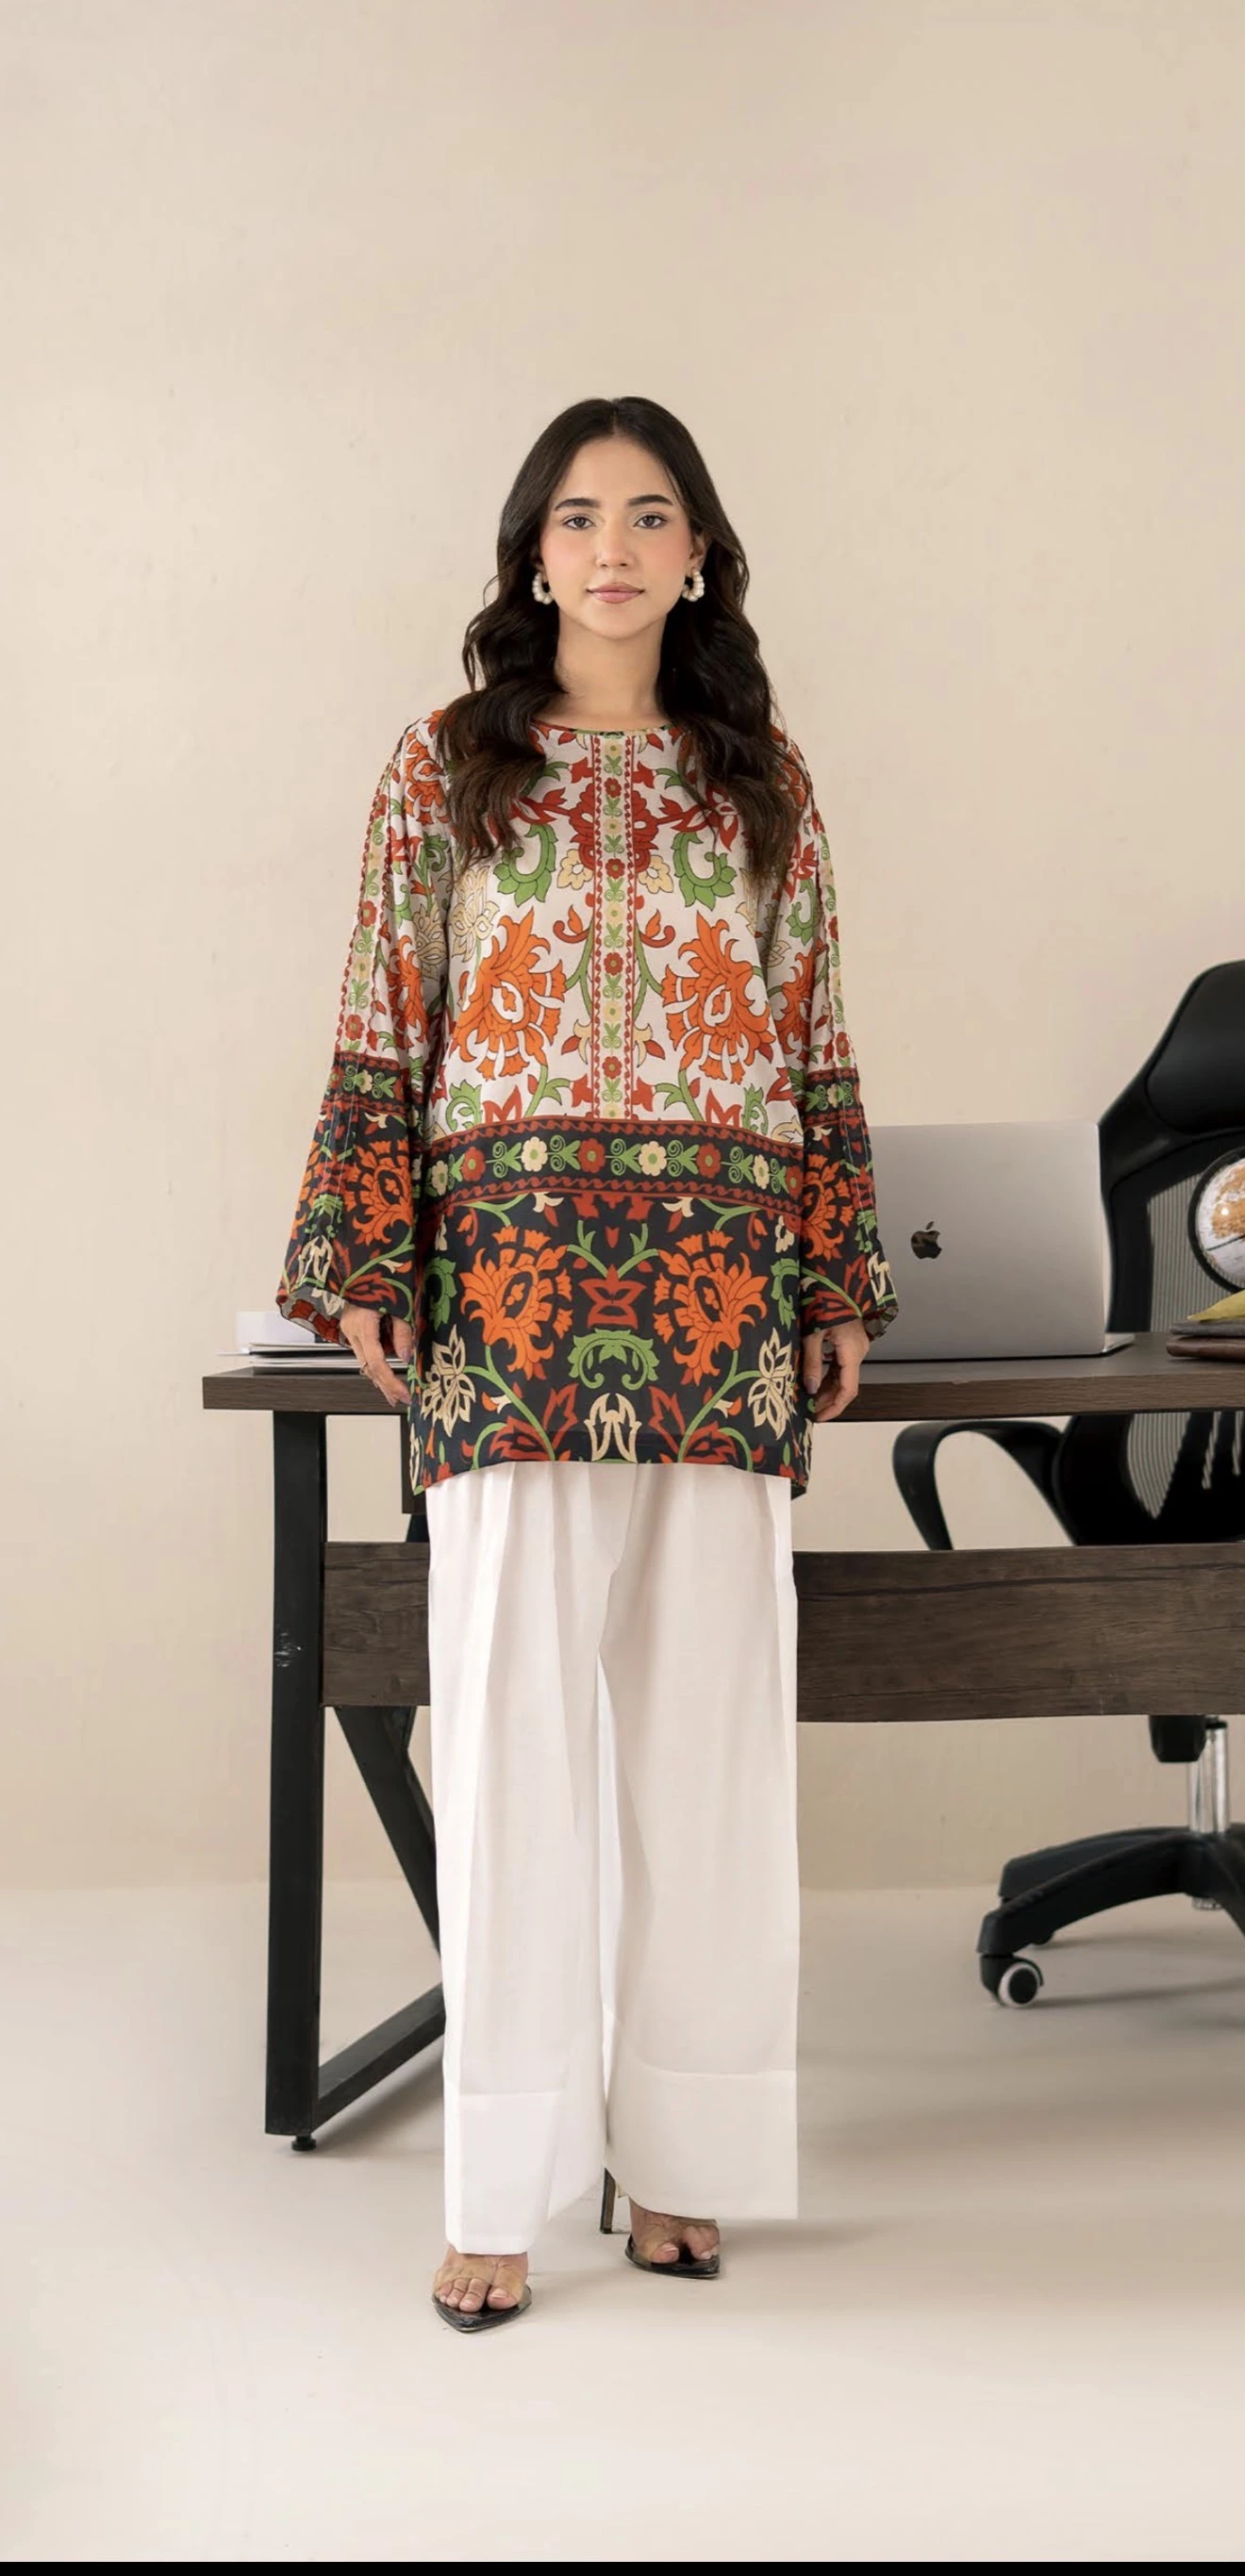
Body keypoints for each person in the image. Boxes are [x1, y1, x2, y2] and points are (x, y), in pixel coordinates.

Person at [277, 395, 897, 2331]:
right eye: (575, 517)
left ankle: (684, 2159)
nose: (610, 549)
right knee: (510, 1745)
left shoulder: (762, 780)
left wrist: (834, 1272)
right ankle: (501, 2188)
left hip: (719, 1298)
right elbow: (386, 1012)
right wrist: (368, 1251)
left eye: (646, 516)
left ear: (697, 554)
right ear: (531, 554)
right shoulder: (446, 768)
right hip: (510, 1293)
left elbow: (813, 1032)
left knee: (707, 1750)